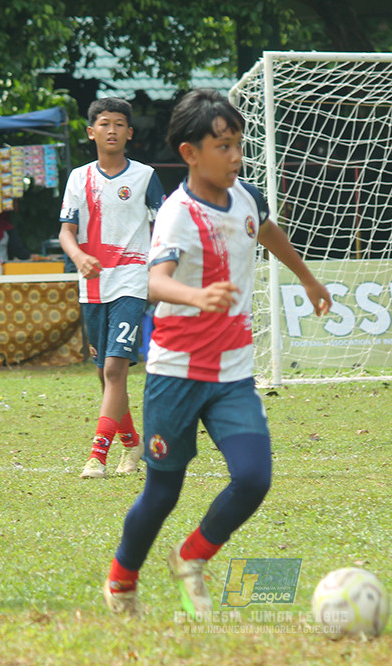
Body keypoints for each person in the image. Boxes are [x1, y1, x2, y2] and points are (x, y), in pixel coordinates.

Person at [102, 89, 331, 617]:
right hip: (176, 374)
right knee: (162, 495)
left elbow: (267, 231)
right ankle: (121, 578)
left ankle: (192, 555)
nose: (236, 157)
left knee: (253, 478)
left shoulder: (246, 197)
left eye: (238, 145)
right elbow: (155, 282)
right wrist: (197, 295)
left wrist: (309, 279)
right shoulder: (178, 213)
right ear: (190, 153)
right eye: (223, 147)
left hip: (232, 374)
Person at [59, 97, 166, 480]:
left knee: (117, 370)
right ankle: (131, 443)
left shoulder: (145, 176)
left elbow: (165, 227)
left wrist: (161, 274)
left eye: (119, 124)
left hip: (131, 281)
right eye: (104, 123)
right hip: (92, 285)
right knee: (104, 374)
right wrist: (78, 257)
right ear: (91, 132)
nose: (112, 130)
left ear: (129, 133)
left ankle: (96, 456)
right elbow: (66, 231)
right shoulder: (78, 178)